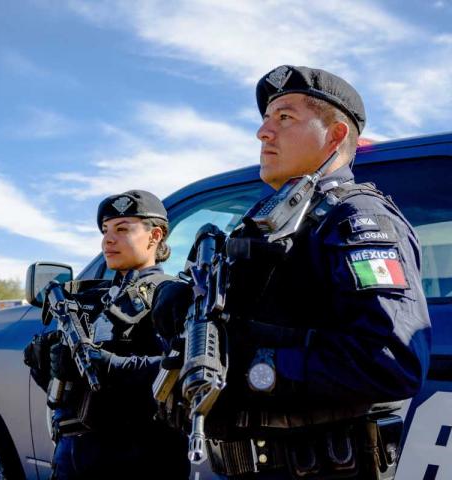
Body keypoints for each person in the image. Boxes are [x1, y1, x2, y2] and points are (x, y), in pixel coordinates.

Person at [153, 66, 431, 479]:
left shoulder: (355, 218)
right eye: (265, 120)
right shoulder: (271, 225)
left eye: (284, 117)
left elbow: (390, 361)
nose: (263, 133)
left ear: (335, 135)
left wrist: (248, 364)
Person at [24, 190, 190, 479]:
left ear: (155, 236)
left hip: (138, 457)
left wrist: (111, 365)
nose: (108, 240)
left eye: (123, 229)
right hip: (72, 452)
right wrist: (50, 366)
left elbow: (184, 370)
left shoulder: (171, 294)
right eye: (105, 231)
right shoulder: (90, 300)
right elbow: (67, 394)